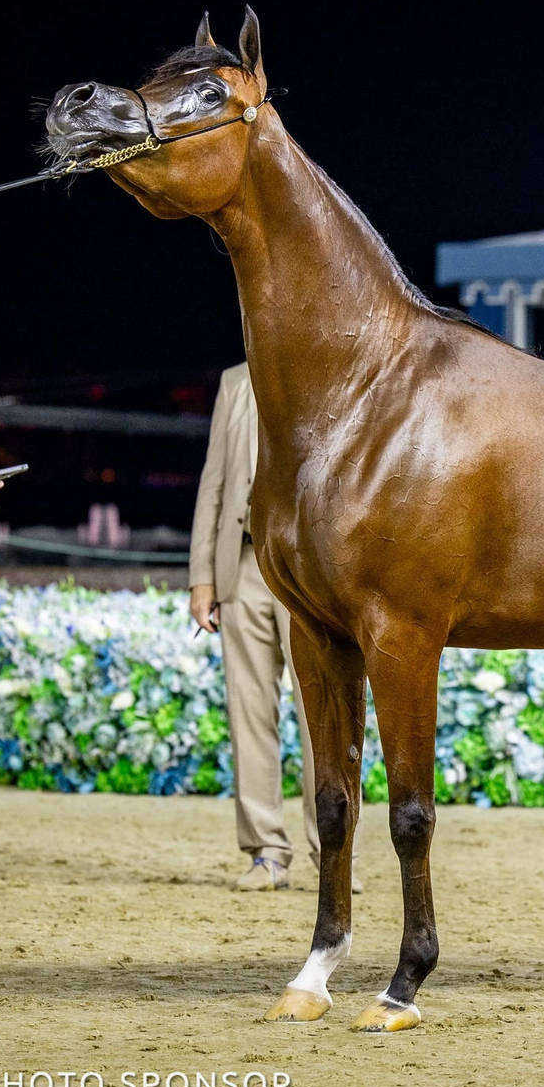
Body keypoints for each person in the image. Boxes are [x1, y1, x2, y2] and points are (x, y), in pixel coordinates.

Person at [189, 361, 360, 892]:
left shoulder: (327, 375)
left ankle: (334, 850)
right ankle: (266, 852)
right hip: (242, 567)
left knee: (324, 715)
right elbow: (214, 481)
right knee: (249, 712)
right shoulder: (234, 383)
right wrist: (201, 578)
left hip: (309, 569)